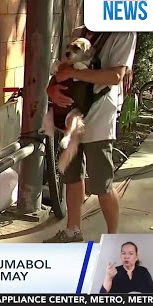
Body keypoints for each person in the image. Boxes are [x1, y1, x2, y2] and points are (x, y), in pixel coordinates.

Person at [44, 26, 137, 243]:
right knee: (72, 176)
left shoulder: (123, 33)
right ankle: (72, 231)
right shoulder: (80, 31)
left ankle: (113, 239)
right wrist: (52, 90)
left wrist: (74, 73)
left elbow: (115, 75)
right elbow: (61, 69)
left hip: (99, 115)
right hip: (71, 115)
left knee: (101, 182)